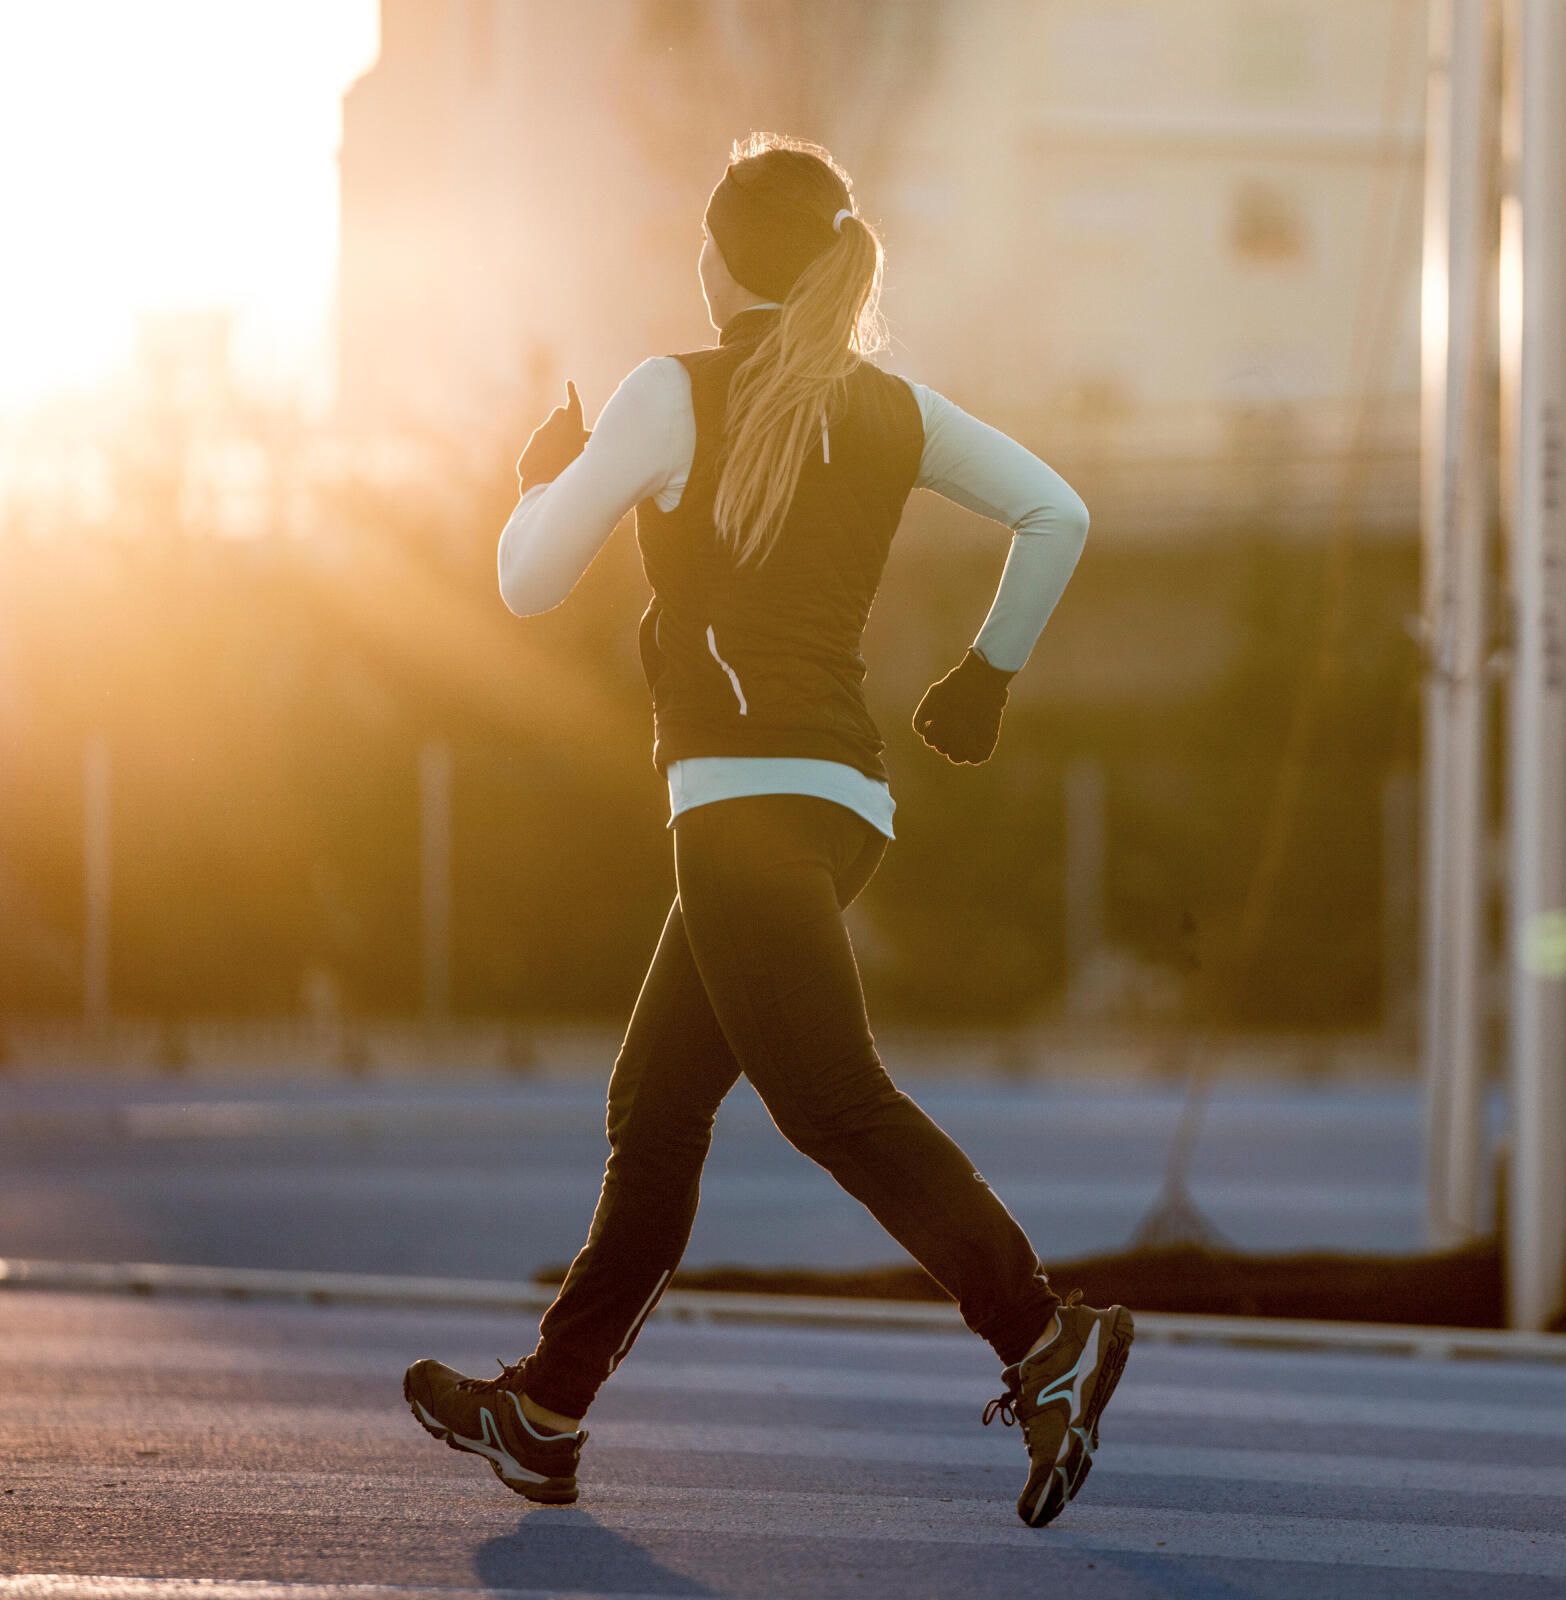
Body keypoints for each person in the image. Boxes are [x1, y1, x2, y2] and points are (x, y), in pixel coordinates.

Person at [403, 132, 1132, 1530]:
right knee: (658, 1108)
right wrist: (985, 674)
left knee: (829, 1103)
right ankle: (547, 1413)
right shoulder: (891, 410)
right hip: (841, 808)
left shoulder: (665, 392)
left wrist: (545, 480)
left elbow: (523, 582)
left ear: (717, 258)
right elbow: (1059, 510)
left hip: (736, 809)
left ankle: (1044, 1335)